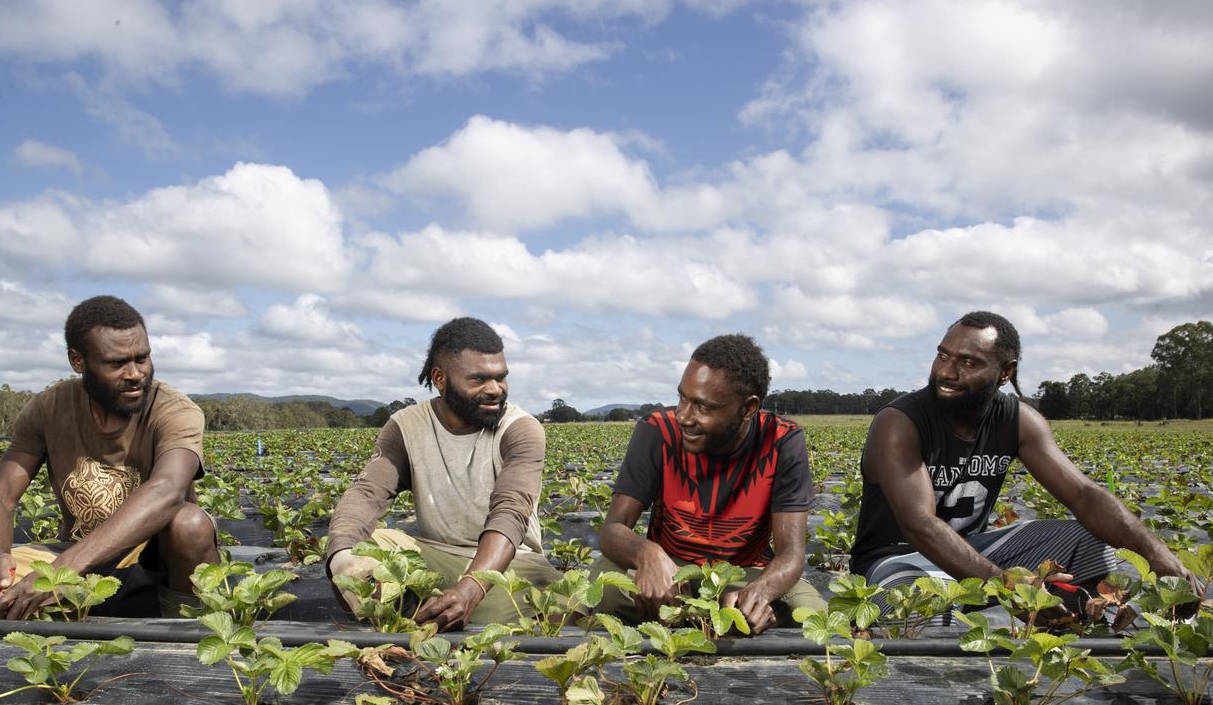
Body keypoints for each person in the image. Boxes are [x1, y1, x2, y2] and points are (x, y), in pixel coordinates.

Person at [851, 311, 1195, 614]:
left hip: (972, 551)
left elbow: (1084, 495)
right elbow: (920, 525)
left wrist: (1156, 552)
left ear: (1005, 372)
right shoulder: (899, 422)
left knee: (1093, 538)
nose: (947, 372)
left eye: (968, 362)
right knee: (907, 601)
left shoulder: (1018, 421)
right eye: (943, 356)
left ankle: (1089, 613)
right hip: (897, 559)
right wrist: (1008, 585)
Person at [0, 296, 218, 619]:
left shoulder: (173, 409)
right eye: (117, 363)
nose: (136, 373)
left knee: (190, 524)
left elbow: (167, 490)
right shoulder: (48, 409)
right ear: (78, 361)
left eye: (143, 358)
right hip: (75, 557)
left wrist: (59, 572)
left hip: (150, 566)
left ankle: (183, 632)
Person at [327, 317, 561, 630]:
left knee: (560, 611)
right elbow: (367, 493)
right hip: (436, 555)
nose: (495, 390)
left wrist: (470, 589)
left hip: (511, 564)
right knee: (357, 548)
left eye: (500, 378)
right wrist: (341, 559)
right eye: (478, 380)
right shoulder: (406, 427)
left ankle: (429, 614)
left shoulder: (520, 429)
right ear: (440, 378)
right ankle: (417, 620)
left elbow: (512, 510)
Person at [593, 334, 826, 634]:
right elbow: (612, 529)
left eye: (703, 407)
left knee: (812, 614)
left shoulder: (781, 440)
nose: (683, 416)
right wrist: (646, 553)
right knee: (603, 586)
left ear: (748, 408)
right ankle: (719, 622)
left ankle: (735, 615)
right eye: (682, 398)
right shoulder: (657, 431)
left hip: (744, 574)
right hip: (672, 574)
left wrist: (761, 592)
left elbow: (791, 553)